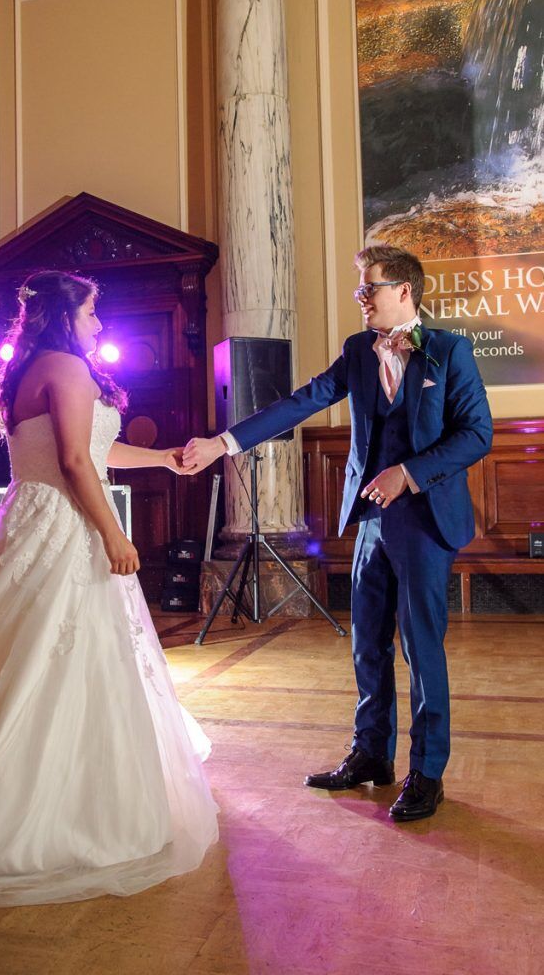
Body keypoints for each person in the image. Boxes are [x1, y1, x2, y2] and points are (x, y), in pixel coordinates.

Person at [0, 271, 218, 905]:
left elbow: (88, 451)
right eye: (92, 312)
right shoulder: (68, 369)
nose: (100, 324)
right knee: (66, 660)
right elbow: (79, 463)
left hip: (27, 522)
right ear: (65, 315)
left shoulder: (36, 368)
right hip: (64, 525)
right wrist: (112, 533)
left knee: (29, 659)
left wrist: (162, 457)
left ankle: (21, 789)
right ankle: (62, 811)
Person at [183, 245, 492, 821]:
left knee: (420, 648)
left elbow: (477, 434)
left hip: (426, 520)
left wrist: (410, 473)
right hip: (371, 522)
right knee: (366, 642)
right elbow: (304, 401)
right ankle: (371, 754)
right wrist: (223, 445)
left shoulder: (450, 351)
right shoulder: (357, 351)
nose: (361, 299)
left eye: (368, 288)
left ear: (404, 291)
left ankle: (426, 772)